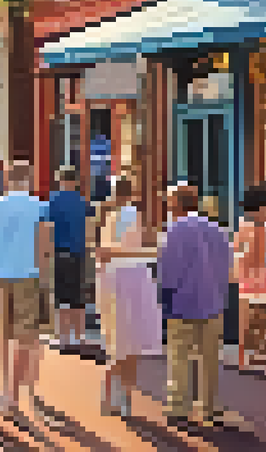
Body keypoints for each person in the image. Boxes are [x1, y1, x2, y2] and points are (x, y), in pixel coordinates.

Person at [156, 182, 233, 427]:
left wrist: (163, 295)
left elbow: (168, 270)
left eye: (169, 202)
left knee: (179, 354)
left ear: (176, 203)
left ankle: (179, 406)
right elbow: (227, 267)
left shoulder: (174, 229)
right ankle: (209, 407)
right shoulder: (217, 229)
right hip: (212, 300)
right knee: (209, 357)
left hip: (182, 300)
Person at [0, 161, 54, 425]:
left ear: (8, 179)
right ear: (29, 179)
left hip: (1, 274)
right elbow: (45, 244)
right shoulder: (39, 206)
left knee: (5, 333)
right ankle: (17, 391)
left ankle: (6, 389)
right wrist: (44, 273)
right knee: (27, 335)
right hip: (29, 273)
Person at [93, 176, 161, 417]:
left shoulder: (106, 217)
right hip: (132, 279)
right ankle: (124, 399)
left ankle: (109, 395)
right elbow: (142, 245)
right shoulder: (134, 215)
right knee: (130, 344)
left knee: (116, 342)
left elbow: (102, 253)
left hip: (111, 280)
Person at [233, 188, 266, 370]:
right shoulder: (246, 227)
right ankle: (246, 353)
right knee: (249, 318)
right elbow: (243, 255)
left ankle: (264, 353)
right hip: (251, 278)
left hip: (265, 277)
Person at [47, 165, 92, 350]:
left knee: (60, 297)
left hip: (59, 252)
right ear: (75, 181)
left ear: (60, 179)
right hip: (79, 253)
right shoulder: (83, 202)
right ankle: (80, 336)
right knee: (77, 295)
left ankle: (64, 336)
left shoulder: (53, 201)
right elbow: (90, 229)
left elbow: (47, 227)